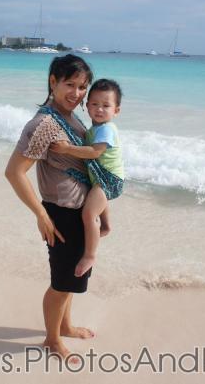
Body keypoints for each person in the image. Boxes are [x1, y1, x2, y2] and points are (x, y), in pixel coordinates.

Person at [5, 54, 97, 361]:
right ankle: (52, 341)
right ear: (53, 82)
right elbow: (14, 172)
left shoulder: (70, 117)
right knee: (61, 284)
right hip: (61, 214)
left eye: (83, 87)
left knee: (72, 277)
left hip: (78, 213)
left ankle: (66, 325)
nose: (77, 93)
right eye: (70, 84)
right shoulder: (43, 124)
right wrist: (41, 215)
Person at [50, 79, 124, 278]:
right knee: (96, 198)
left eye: (106, 106)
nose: (99, 109)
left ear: (116, 110)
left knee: (88, 215)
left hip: (109, 179)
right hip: (101, 178)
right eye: (94, 104)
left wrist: (67, 149)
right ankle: (106, 226)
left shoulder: (107, 129)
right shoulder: (94, 129)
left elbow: (94, 152)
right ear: (87, 105)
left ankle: (90, 255)